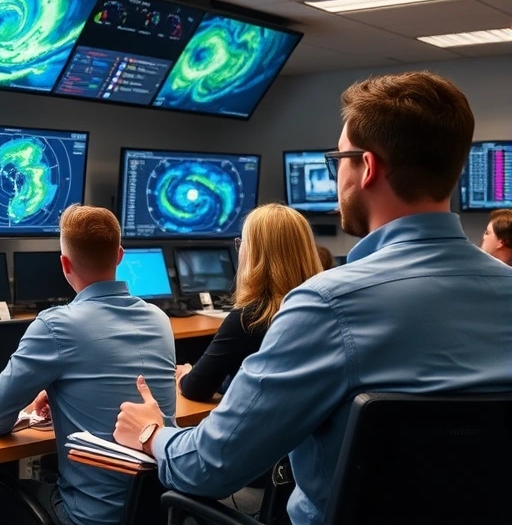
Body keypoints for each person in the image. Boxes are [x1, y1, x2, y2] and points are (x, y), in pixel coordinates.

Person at [113, 71, 512, 525]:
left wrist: (150, 432)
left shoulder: (328, 305)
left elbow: (208, 468)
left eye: (336, 160)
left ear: (366, 167)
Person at [0, 205, 177, 525]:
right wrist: (59, 393)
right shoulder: (159, 319)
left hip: (88, 516)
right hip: (159, 509)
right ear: (120, 256)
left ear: (64, 264)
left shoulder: (55, 326)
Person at [177, 204, 323, 402]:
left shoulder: (250, 318)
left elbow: (196, 389)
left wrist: (185, 375)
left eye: (241, 243)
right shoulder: (323, 311)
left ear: (255, 253)